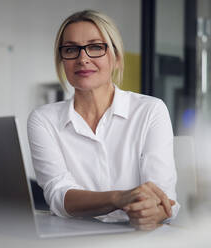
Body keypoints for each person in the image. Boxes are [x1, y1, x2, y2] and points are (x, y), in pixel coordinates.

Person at [27, 9, 179, 230]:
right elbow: (58, 195)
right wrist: (118, 198)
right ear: (62, 60)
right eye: (71, 49)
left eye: (95, 47)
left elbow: (161, 197)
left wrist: (150, 212)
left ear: (116, 58)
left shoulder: (150, 110)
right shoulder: (43, 120)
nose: (82, 58)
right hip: (73, 238)